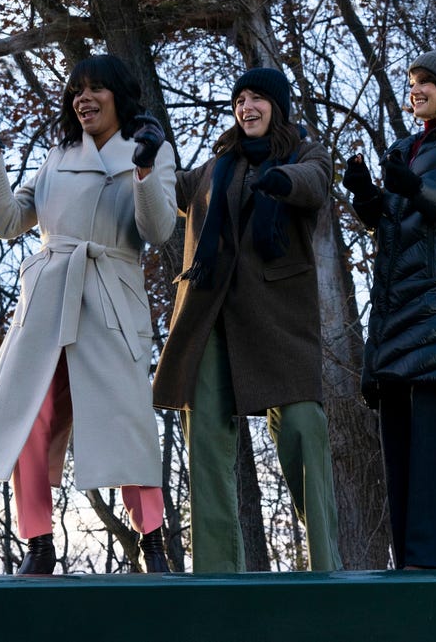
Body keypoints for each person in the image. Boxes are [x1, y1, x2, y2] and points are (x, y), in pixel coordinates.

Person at [0, 54, 177, 575]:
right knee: (29, 419)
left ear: (120, 96)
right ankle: (39, 544)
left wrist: (143, 169)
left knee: (127, 422)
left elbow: (159, 231)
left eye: (96, 88)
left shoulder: (149, 151)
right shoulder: (58, 155)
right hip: (49, 299)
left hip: (110, 299)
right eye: (77, 89)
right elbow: (10, 221)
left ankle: (153, 542)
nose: (84, 98)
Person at [152, 67, 342, 573]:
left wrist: (282, 179)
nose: (246, 107)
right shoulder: (217, 167)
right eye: (239, 99)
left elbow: (315, 182)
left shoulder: (306, 153)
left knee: (304, 426)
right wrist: (148, 157)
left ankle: (326, 570)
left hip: (280, 318)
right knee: (207, 444)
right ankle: (216, 577)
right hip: (209, 317)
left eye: (257, 98)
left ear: (276, 106)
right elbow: (165, 194)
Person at [342, 47, 436, 569]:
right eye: (411, 81)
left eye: (426, 81)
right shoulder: (406, 147)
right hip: (395, 320)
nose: (416, 90)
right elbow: (397, 222)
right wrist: (368, 196)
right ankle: (408, 573)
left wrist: (415, 188)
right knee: (401, 463)